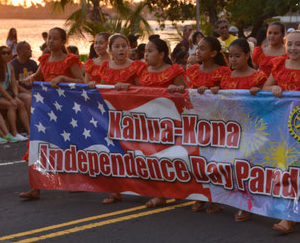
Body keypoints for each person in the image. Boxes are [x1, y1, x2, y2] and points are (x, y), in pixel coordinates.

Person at [253, 31, 300, 233]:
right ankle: (289, 212)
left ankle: (292, 214)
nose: (293, 48)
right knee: (282, 167)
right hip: (281, 125)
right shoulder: (278, 65)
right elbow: (265, 87)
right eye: (290, 44)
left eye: (298, 44)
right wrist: (275, 88)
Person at [20, 27, 85, 200]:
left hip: (65, 110)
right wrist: (30, 79)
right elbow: (38, 75)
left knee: (67, 146)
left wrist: (63, 79)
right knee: (38, 145)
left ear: (63, 41)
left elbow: (81, 82)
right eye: (49, 38)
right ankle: (36, 187)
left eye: (55, 39)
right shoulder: (45, 59)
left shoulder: (69, 60)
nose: (51, 41)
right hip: (47, 110)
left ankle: (75, 181)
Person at [210, 39, 267, 222]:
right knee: (229, 166)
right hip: (230, 128)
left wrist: (259, 92)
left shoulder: (258, 77)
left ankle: (246, 204)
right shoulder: (227, 77)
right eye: (230, 56)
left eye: (237, 56)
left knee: (246, 166)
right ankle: (223, 199)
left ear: (247, 55)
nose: (233, 60)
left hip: (250, 129)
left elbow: (268, 103)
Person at [91, 34, 146, 204]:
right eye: (117, 46)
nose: (121, 49)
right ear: (110, 49)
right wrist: (94, 85)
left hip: (132, 117)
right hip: (110, 116)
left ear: (129, 48)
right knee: (111, 153)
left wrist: (131, 87)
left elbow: (145, 90)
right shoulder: (106, 66)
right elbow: (102, 87)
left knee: (137, 153)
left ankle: (147, 187)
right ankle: (115, 191)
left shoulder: (136, 66)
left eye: (124, 46)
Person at [138, 37, 187, 208]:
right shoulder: (142, 70)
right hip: (147, 122)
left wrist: (178, 90)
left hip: (170, 124)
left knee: (172, 158)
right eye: (145, 51)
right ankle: (160, 194)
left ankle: (176, 191)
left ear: (162, 54)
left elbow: (186, 96)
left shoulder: (174, 71)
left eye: (150, 51)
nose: (146, 55)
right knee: (151, 158)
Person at [186, 36, 231, 213]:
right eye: (198, 48)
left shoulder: (223, 72)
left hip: (218, 123)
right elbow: (186, 92)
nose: (198, 51)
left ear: (213, 53)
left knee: (215, 161)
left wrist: (217, 91)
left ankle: (216, 198)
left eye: (203, 48)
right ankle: (200, 195)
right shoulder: (192, 71)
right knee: (197, 159)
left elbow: (230, 94)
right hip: (197, 121)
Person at [0, 46, 30, 142]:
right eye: (3, 53)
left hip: (5, 93)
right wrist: (11, 99)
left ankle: (30, 132)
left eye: (8, 53)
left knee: (20, 104)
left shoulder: (10, 67)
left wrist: (16, 96)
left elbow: (13, 83)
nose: (6, 55)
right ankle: (14, 133)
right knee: (11, 104)